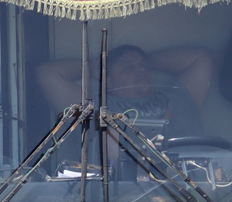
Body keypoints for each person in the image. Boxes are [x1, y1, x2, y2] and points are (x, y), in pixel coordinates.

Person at [36, 43, 212, 140]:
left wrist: (140, 60)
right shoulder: (95, 109)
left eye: (144, 67)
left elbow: (201, 58)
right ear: (109, 81)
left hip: (189, 193)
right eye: (129, 68)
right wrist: (98, 68)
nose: (141, 70)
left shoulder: (177, 97)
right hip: (122, 197)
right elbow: (47, 74)